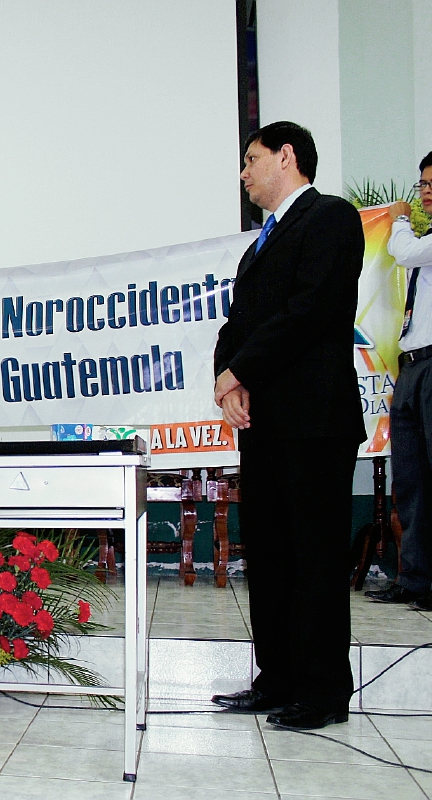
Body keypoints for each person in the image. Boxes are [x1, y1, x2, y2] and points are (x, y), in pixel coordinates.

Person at [210, 122, 366, 730]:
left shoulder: (329, 218)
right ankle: (275, 679)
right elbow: (235, 325)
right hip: (264, 422)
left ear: (287, 155)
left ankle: (323, 692)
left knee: (315, 558)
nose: (244, 174)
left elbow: (310, 310)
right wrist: (229, 376)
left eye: (251, 160)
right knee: (271, 556)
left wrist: (240, 370)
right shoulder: (257, 247)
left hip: (314, 422)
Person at [366, 152, 432, 611]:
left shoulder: (418, 240)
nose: (425, 191)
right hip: (413, 367)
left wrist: (399, 219)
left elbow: (403, 251)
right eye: (423, 183)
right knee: (411, 482)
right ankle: (416, 580)